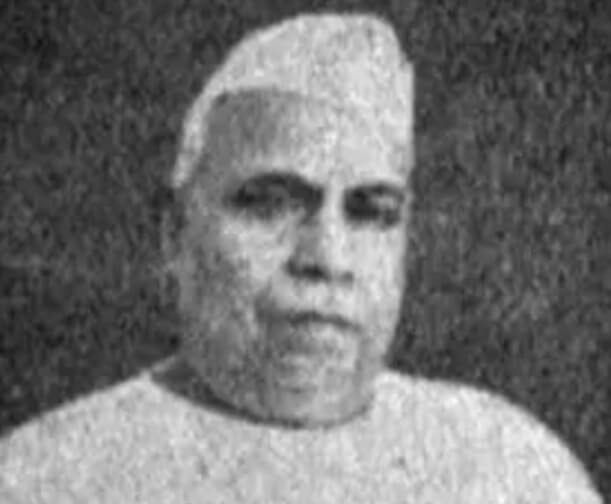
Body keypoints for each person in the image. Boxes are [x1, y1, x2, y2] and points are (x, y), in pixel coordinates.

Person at [0, 12, 603, 504]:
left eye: (371, 212)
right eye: (270, 204)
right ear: (174, 235)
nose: (327, 259)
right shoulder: (46, 477)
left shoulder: (513, 465)